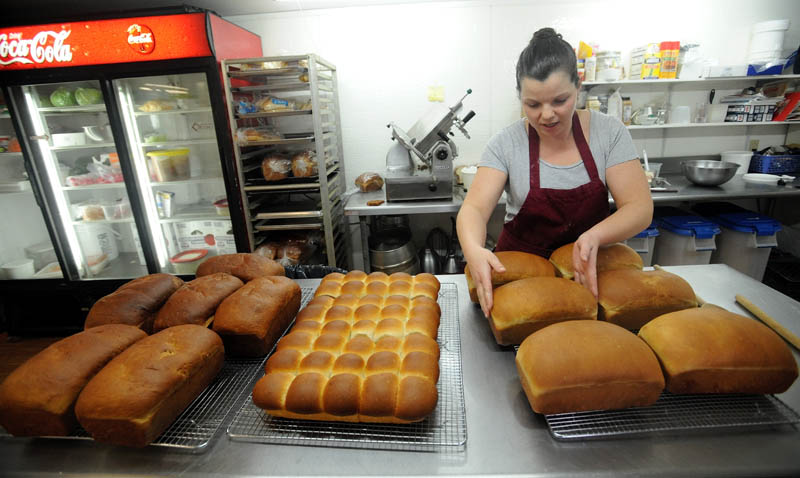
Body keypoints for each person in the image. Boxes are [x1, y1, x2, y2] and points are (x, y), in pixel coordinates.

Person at [456, 27, 653, 318]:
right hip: (521, 284)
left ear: (579, 87)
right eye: (532, 105)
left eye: (560, 101)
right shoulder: (505, 143)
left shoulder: (608, 133)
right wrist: (473, 248)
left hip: (589, 275)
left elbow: (639, 207)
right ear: (519, 97)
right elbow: (473, 208)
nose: (546, 115)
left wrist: (595, 236)